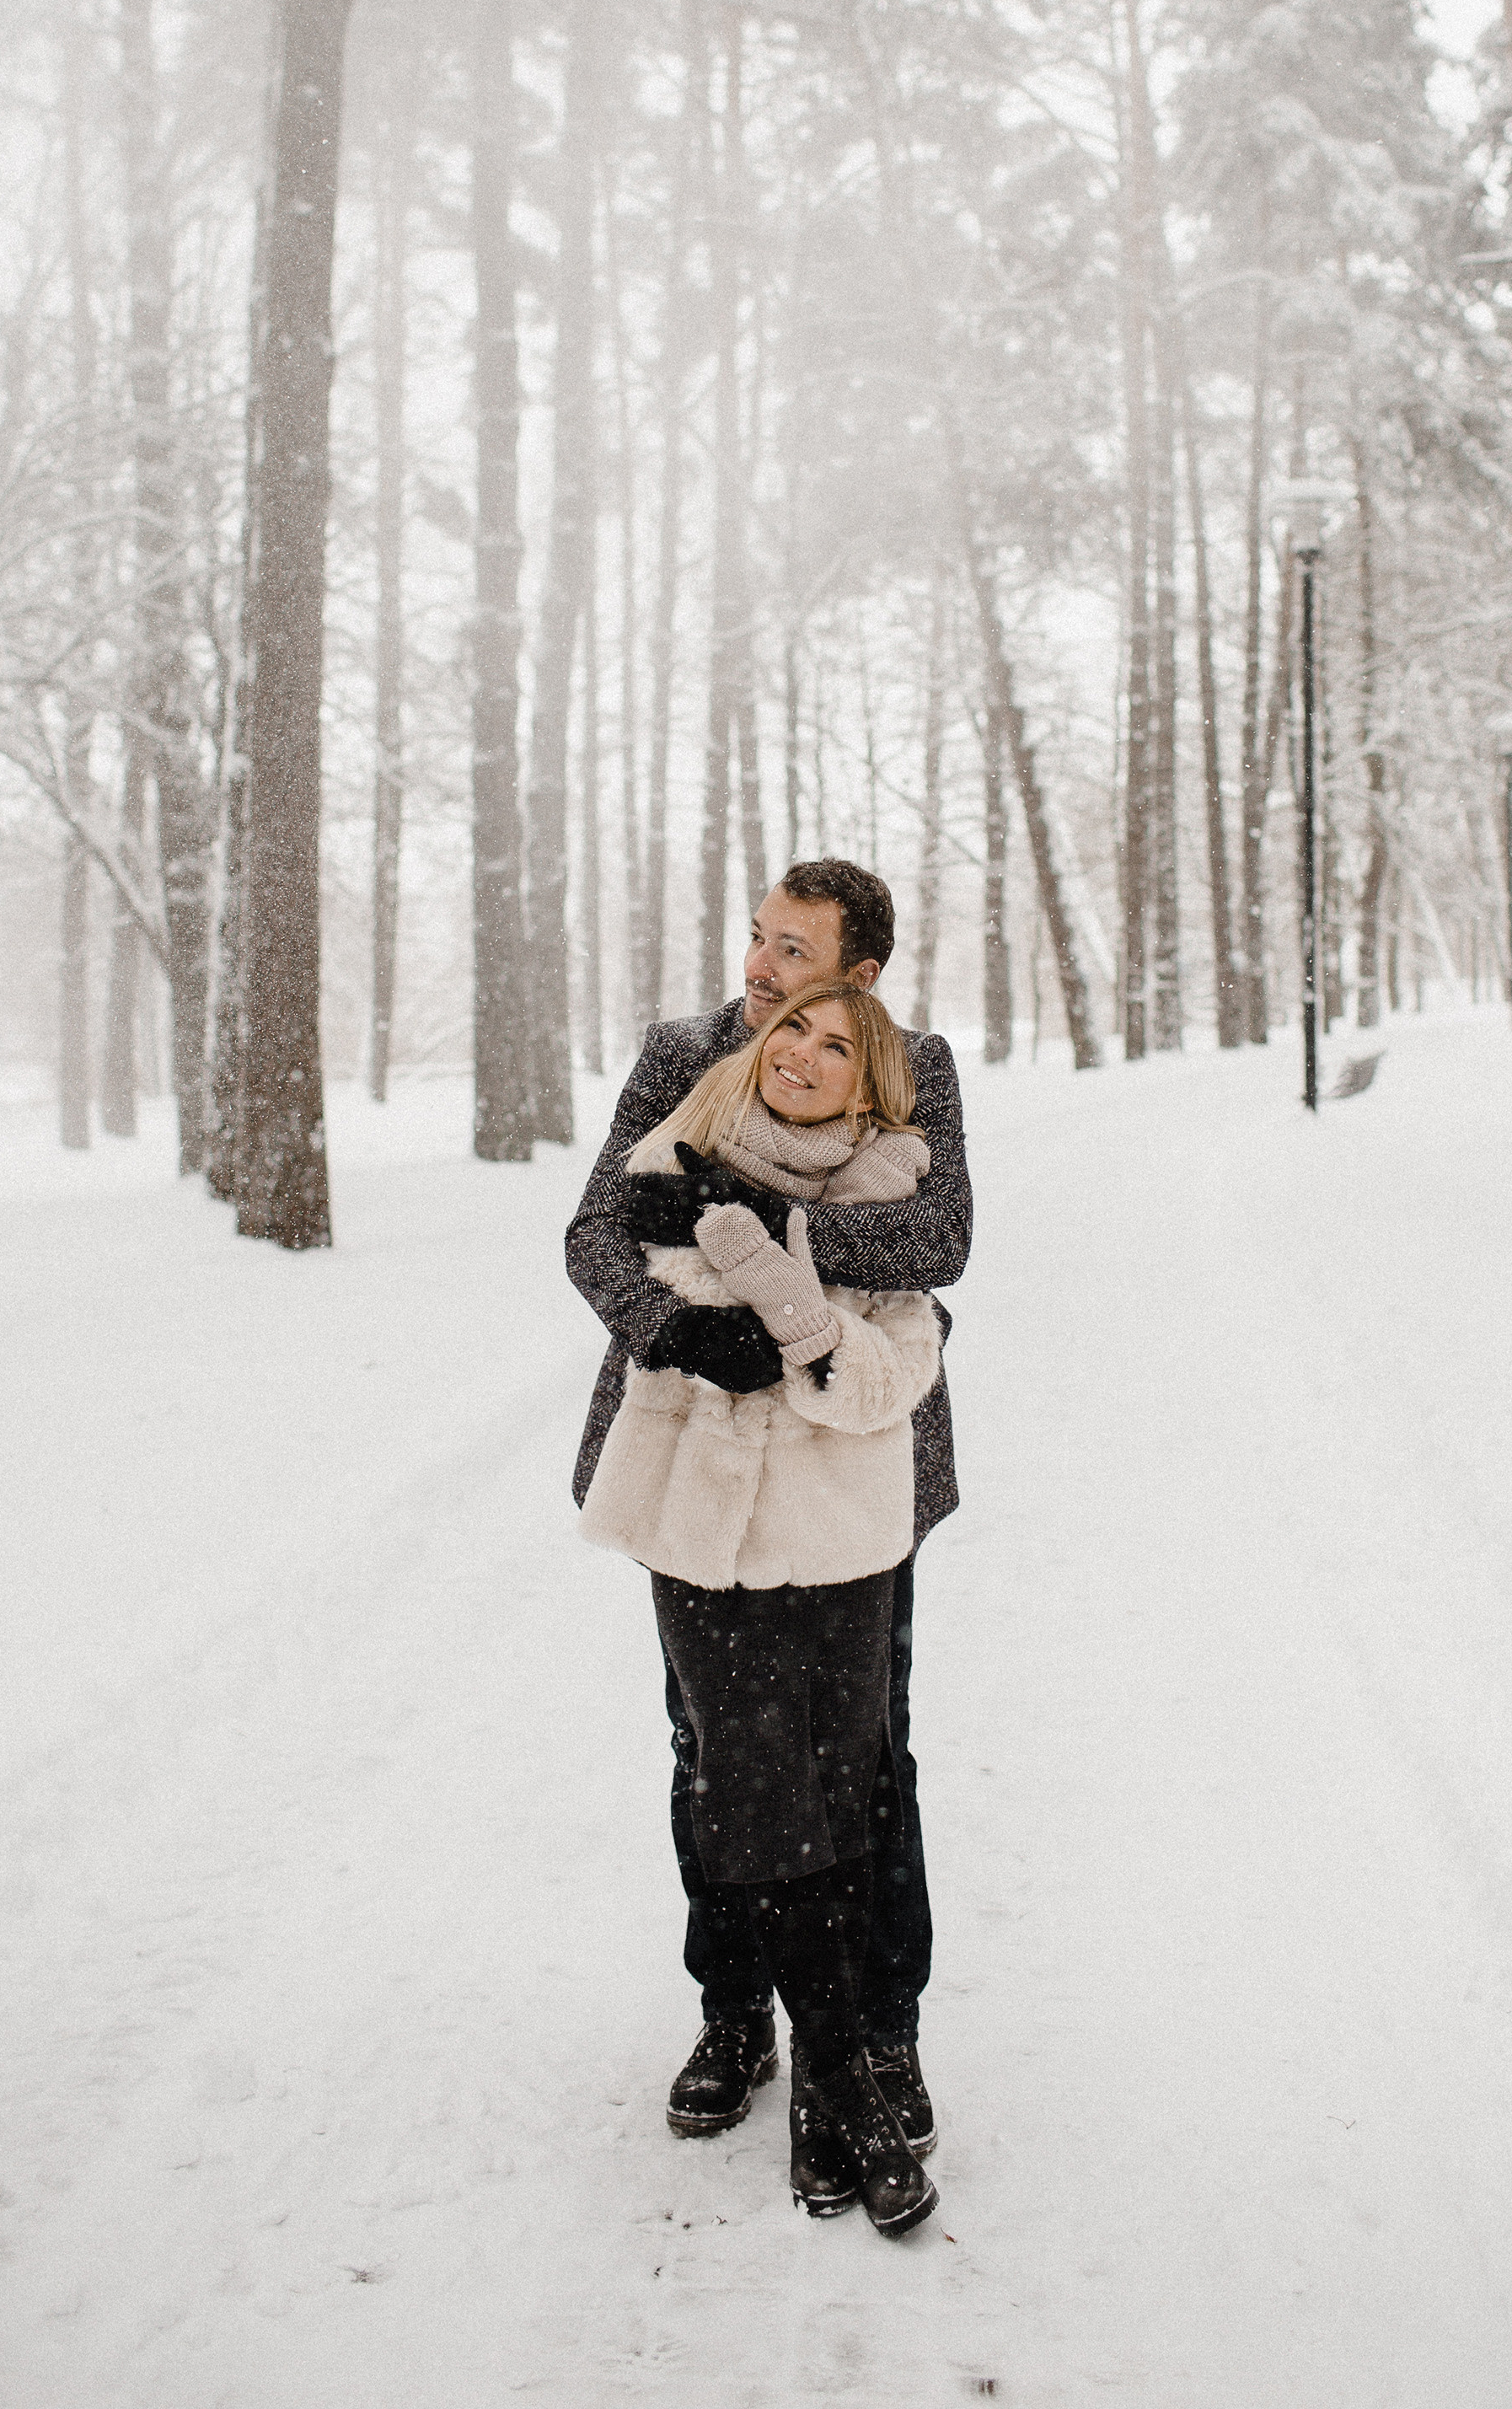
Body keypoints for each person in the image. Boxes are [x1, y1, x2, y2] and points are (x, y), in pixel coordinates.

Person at [565, 860, 972, 2154]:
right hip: (694, 1453)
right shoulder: (683, 1051)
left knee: (865, 1758)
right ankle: (734, 2007)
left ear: (860, 975)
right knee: (713, 1750)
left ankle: (877, 2030)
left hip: (853, 1459)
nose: (758, 970)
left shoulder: (920, 1066)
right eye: (756, 938)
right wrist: (675, 1330)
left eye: (792, 952)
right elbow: (597, 1234)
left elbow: (937, 1240)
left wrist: (757, 1222)